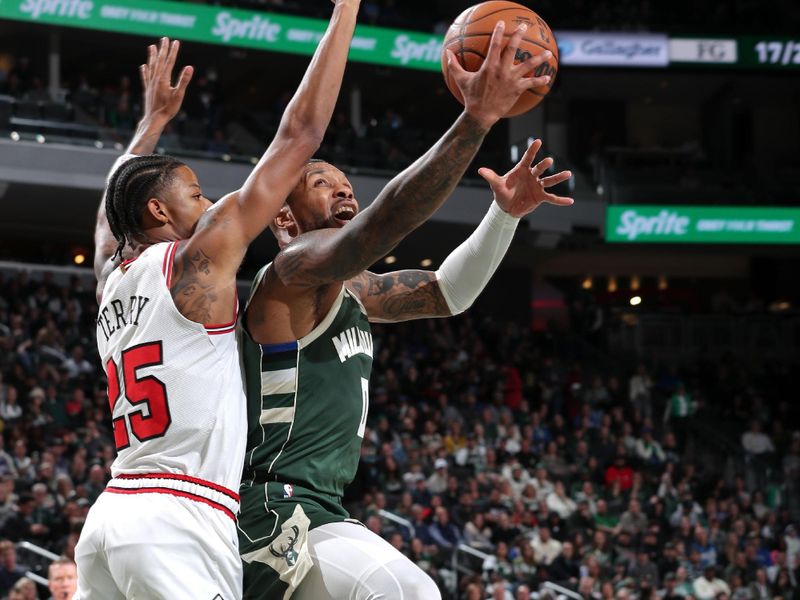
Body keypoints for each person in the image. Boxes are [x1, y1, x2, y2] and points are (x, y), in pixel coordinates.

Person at [238, 20, 570, 600]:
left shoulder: (354, 289)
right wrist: (476, 119)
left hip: (312, 509)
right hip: (273, 506)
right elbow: (382, 224)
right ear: (284, 221)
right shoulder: (290, 276)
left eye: (347, 185)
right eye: (322, 183)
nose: (344, 192)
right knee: (406, 591)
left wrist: (506, 216)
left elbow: (448, 292)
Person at [76, 0, 360, 597]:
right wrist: (345, 12)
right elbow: (300, 136)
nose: (208, 205)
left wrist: (150, 122)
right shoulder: (196, 260)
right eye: (196, 194)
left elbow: (111, 206)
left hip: (110, 517)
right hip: (180, 516)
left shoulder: (111, 274)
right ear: (159, 211)